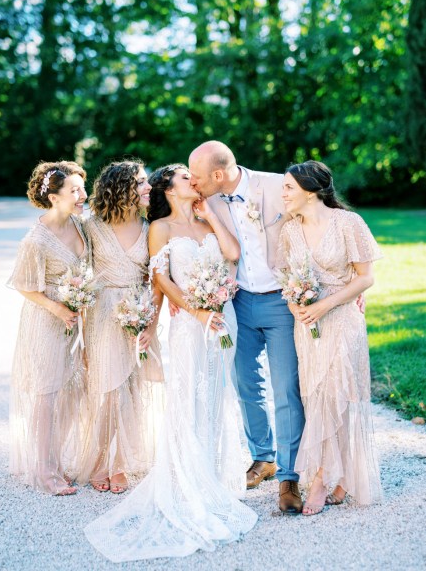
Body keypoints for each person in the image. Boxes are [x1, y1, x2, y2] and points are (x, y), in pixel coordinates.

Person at [84, 163, 257, 562]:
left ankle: (212, 476)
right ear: (168, 187)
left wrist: (210, 215)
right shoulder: (159, 228)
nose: (193, 182)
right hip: (191, 323)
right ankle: (184, 481)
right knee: (187, 397)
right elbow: (161, 281)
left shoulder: (207, 218)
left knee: (217, 395)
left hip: (222, 319)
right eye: (185, 178)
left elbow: (232, 254)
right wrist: (194, 313)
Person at [188, 141, 305, 514]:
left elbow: (319, 220)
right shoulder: (207, 200)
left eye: (198, 176)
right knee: (245, 383)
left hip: (280, 301)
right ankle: (263, 456)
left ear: (218, 175)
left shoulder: (276, 186)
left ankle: (290, 475)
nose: (193, 182)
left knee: (286, 386)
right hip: (238, 301)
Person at [275, 160, 383, 515]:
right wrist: (299, 310)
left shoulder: (348, 223)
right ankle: (341, 476)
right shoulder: (289, 231)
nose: (284, 193)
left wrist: (325, 306)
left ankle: (321, 480)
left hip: (343, 317)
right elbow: (287, 280)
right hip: (306, 325)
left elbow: (365, 278)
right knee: (316, 394)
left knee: (337, 394)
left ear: (310, 191)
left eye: (289, 187)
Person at [78, 159, 164, 494]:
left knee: (132, 389)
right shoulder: (92, 225)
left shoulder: (150, 226)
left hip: (137, 313)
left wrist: (151, 323)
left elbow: (156, 280)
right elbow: (73, 264)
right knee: (109, 391)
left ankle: (122, 462)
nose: (148, 188)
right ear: (122, 188)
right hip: (102, 313)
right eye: (141, 182)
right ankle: (102, 460)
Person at [8, 160, 89, 495]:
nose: (83, 194)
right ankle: (44, 471)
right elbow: (25, 286)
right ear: (54, 197)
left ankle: (56, 459)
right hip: (46, 320)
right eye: (75, 190)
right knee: (47, 393)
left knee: (71, 390)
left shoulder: (80, 224)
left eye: (83, 187)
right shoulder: (35, 240)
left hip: (75, 318)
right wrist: (58, 307)